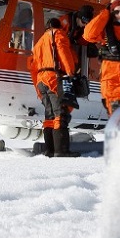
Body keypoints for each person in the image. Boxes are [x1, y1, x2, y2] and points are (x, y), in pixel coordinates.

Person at [29, 17, 80, 157]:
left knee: (49, 116)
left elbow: (32, 67)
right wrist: (70, 73)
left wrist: (38, 89)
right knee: (60, 114)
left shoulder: (39, 43)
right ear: (58, 27)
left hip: (41, 80)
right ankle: (61, 151)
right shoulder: (58, 34)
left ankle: (50, 150)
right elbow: (64, 52)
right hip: (54, 78)